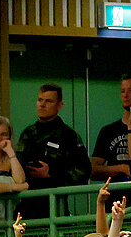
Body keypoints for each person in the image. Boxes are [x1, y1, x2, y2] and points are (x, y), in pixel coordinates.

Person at [15, 83, 90, 218]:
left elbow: (84, 172)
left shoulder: (68, 136)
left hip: (54, 207)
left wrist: (51, 174)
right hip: (25, 206)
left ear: (59, 106)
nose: (42, 105)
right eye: (40, 100)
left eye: (48, 101)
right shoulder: (27, 133)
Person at [90, 76, 131, 182]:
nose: (125, 95)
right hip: (115, 193)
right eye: (122, 91)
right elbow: (93, 170)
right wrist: (121, 168)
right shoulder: (108, 131)